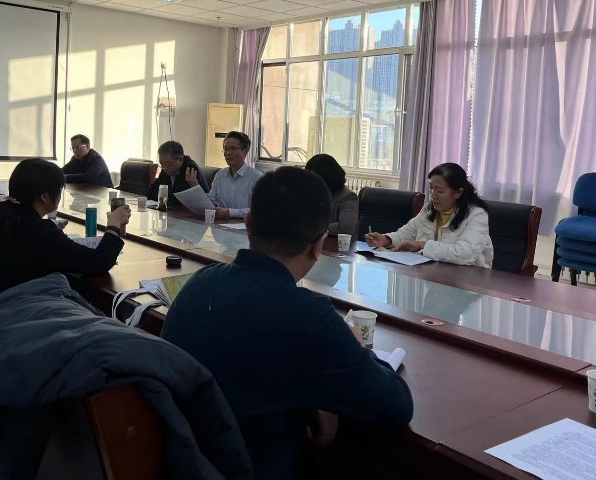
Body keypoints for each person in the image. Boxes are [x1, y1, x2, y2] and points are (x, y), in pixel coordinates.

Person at [162, 167, 413, 479]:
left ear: (248, 224)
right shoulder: (309, 317)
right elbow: (397, 406)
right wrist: (357, 347)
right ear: (320, 245)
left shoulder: (198, 284)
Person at [0, 158, 130, 311]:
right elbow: (98, 262)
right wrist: (113, 225)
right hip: (2, 318)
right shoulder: (38, 231)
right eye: (60, 188)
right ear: (45, 196)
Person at [365, 162, 493, 268]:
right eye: (431, 188)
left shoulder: (476, 215)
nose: (433, 195)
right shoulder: (428, 210)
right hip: (433, 275)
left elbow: (465, 254)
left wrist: (422, 245)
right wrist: (386, 240)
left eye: (439, 191)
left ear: (458, 193)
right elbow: (405, 234)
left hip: (468, 281)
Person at [187, 131, 261, 220]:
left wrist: (229, 212)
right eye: (225, 149)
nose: (228, 153)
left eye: (233, 148)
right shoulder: (220, 175)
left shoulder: (257, 178)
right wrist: (195, 186)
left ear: (245, 151)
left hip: (245, 225)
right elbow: (211, 203)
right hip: (221, 224)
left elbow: (260, 210)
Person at [304, 154, 357, 237]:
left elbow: (345, 228)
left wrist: (313, 227)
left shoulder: (347, 197)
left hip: (336, 243)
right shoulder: (314, 193)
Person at [146, 140, 209, 206]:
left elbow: (178, 199)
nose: (164, 168)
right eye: (161, 164)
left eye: (167, 164)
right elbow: (153, 191)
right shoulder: (166, 169)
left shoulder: (190, 168)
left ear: (180, 159)